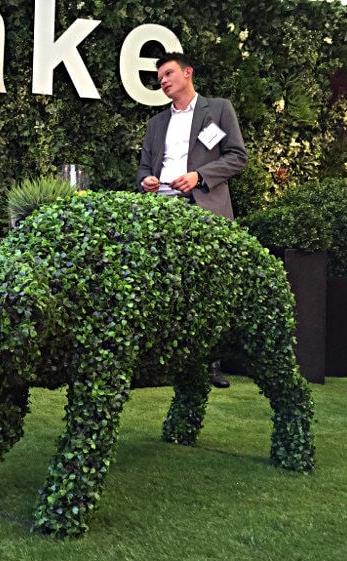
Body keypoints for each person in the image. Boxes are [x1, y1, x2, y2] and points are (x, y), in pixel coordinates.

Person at [136, 51, 248, 388]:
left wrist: (199, 176)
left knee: (208, 287)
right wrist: (146, 182)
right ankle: (171, 364)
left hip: (204, 208)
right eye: (160, 79)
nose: (164, 82)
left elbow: (237, 157)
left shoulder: (218, 109)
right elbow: (143, 168)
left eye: (169, 74)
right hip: (163, 211)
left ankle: (212, 362)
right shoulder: (156, 123)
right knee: (167, 287)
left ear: (188, 73)